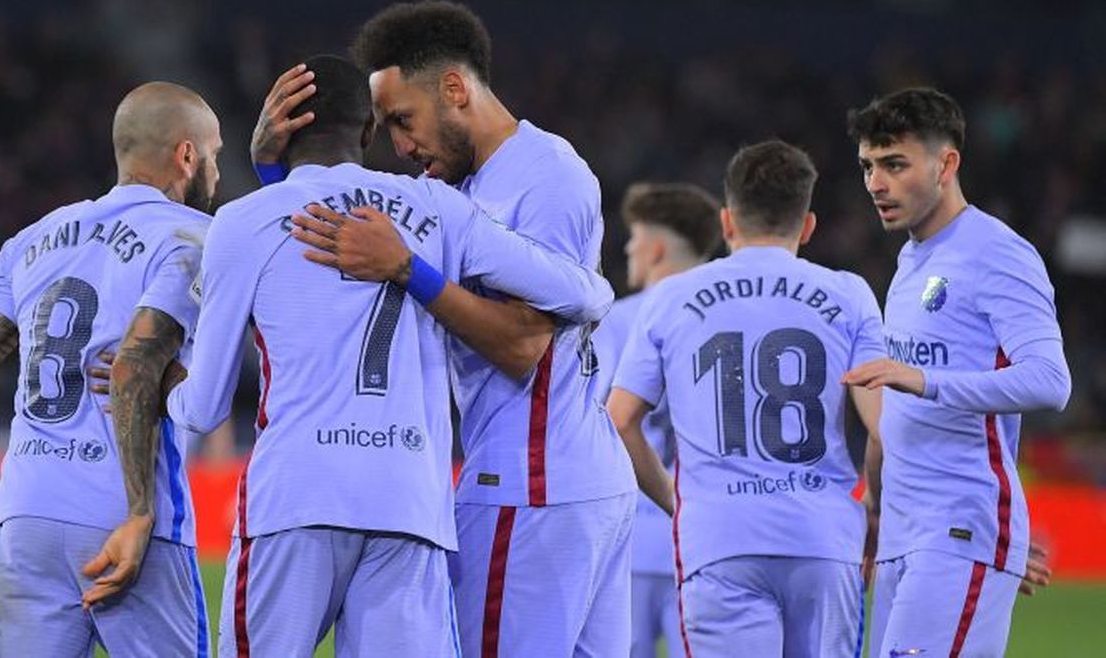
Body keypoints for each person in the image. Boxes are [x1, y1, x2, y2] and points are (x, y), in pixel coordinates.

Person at [162, 55, 614, 658]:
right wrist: (601, 289)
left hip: (293, 503)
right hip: (409, 506)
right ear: (368, 133)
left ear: (280, 131)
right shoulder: (436, 209)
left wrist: (163, 378)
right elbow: (578, 291)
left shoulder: (241, 223)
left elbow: (203, 409)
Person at [0, 81, 220, 656]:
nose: (216, 169)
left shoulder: (32, 239)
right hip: (124, 522)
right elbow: (135, 365)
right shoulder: (191, 237)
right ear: (187, 155)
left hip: (24, 520)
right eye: (214, 154)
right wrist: (140, 512)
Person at [607, 140, 885, 657]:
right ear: (807, 226)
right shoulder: (850, 294)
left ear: (728, 221)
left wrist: (677, 500)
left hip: (719, 539)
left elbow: (620, 420)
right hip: (822, 538)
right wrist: (873, 509)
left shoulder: (672, 297)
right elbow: (883, 430)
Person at [843, 87, 1071, 658]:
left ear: (946, 164)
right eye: (869, 166)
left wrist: (926, 382)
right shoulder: (910, 261)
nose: (876, 183)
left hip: (956, 530)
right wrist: (874, 505)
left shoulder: (997, 253)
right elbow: (898, 417)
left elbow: (1050, 381)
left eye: (895, 165)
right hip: (904, 535)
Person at [590, 182, 720, 658]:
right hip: (711, 537)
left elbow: (600, 419)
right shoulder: (728, 317)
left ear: (658, 247)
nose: (628, 247)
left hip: (631, 535)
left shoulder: (616, 320)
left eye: (635, 236)